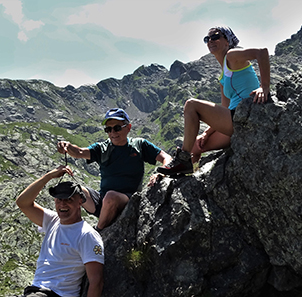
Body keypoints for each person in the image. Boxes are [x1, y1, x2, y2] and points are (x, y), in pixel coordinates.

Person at [157, 26, 270, 176]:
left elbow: (262, 52)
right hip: (234, 120)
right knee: (196, 145)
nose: (210, 41)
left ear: (227, 41)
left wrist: (264, 86)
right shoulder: (223, 77)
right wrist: (207, 133)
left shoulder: (231, 55)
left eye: (215, 36)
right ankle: (190, 172)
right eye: (207, 39)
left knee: (191, 104)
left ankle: (183, 160)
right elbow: (225, 108)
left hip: (247, 115)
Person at [57, 108, 171, 231]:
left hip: (128, 201)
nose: (112, 132)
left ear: (128, 127)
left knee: (111, 197)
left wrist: (161, 172)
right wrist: (67, 146)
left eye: (117, 128)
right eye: (108, 129)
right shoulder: (102, 148)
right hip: (102, 201)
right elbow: (79, 152)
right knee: (73, 190)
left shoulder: (139, 145)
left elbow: (166, 158)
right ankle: (69, 229)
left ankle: (98, 232)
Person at [0, 166, 104, 297]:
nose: (62, 204)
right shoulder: (53, 220)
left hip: (58, 295)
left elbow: (96, 280)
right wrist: (48, 177)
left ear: (80, 202)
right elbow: (23, 203)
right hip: (36, 292)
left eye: (68, 200)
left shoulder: (87, 235)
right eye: (58, 200)